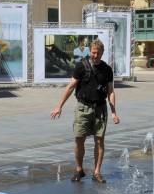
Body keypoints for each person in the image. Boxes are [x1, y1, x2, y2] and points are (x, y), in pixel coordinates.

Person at [50, 39, 120, 184]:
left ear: (102, 53)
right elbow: (70, 87)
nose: (96, 55)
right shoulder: (81, 66)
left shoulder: (106, 69)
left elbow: (111, 91)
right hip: (83, 107)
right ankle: (79, 169)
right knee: (79, 139)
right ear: (90, 51)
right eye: (94, 52)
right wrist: (59, 106)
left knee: (99, 141)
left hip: (100, 109)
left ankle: (97, 172)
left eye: (99, 53)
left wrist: (113, 111)